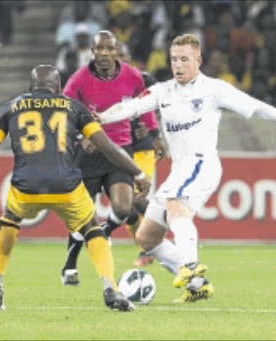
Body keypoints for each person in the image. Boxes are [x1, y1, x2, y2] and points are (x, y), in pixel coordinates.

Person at [94, 34, 276, 303]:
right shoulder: (163, 91)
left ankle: (191, 267)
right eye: (174, 59)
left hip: (202, 163)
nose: (178, 65)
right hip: (180, 169)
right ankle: (198, 285)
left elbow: (258, 107)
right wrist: (102, 117)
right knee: (146, 238)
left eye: (184, 59)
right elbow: (130, 107)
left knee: (176, 206)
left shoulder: (214, 89)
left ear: (198, 61)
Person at [0, 64, 151, 312]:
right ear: (59, 88)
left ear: (30, 88)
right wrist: (138, 173)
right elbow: (108, 148)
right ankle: (110, 290)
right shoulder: (73, 107)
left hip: (26, 187)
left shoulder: (12, 106)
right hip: (66, 186)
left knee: (9, 219)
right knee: (91, 226)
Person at [60, 31, 163, 285]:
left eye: (109, 49)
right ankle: (70, 265)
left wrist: (154, 135)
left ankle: (103, 231)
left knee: (123, 207)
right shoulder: (79, 79)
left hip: (120, 151)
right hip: (89, 153)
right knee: (82, 213)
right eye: (99, 49)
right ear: (92, 52)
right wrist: (81, 137)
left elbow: (145, 105)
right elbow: (65, 113)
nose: (104, 54)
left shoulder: (133, 76)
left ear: (116, 51)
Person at [117, 41, 167, 267]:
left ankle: (156, 241)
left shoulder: (145, 79)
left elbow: (160, 104)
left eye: (122, 55)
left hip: (142, 148)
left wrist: (151, 129)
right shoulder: (104, 85)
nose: (119, 59)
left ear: (129, 57)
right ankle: (146, 248)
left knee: (137, 199)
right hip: (117, 151)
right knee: (125, 207)